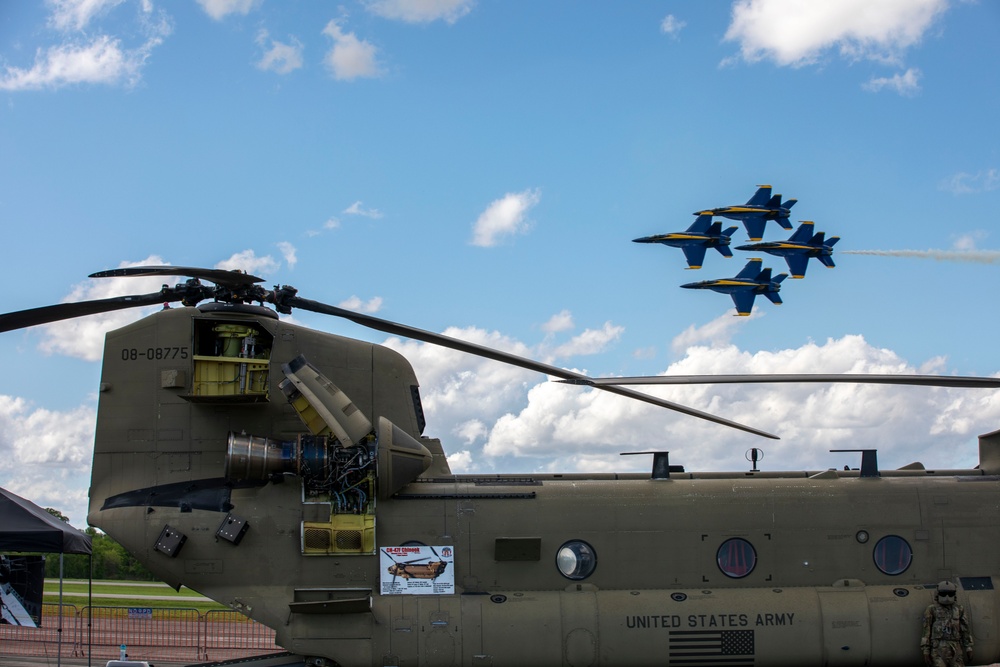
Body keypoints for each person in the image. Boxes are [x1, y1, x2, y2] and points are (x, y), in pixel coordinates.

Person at [921, 581, 973, 667]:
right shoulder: (932, 609)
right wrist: (926, 651)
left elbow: (965, 629)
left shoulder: (959, 609)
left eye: (950, 594)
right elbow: (926, 630)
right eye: (943, 594)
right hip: (938, 648)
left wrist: (968, 647)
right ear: (938, 594)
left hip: (955, 647)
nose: (947, 597)